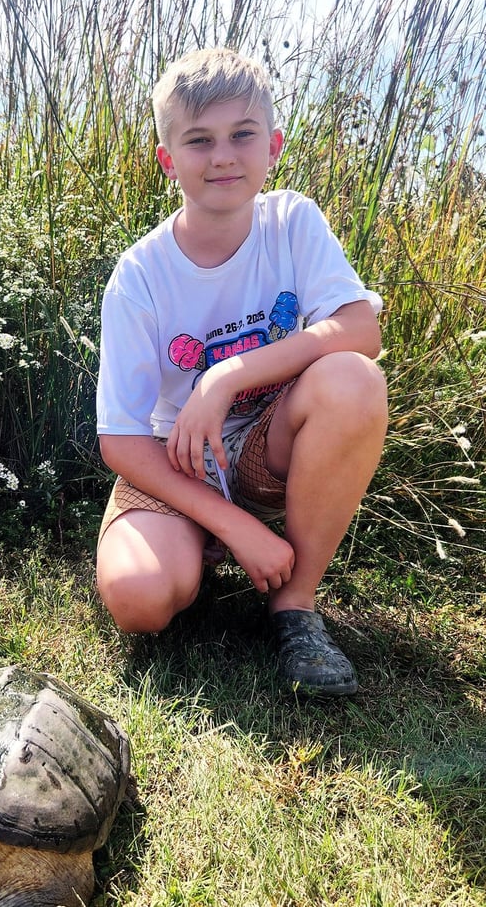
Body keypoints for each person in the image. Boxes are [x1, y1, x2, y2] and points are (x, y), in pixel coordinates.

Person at [95, 48, 388, 697]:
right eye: (199, 140)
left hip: (266, 443)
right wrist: (234, 524)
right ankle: (196, 540)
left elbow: (360, 331)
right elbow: (120, 439)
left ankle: (295, 607)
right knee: (140, 599)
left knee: (354, 380)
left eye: (243, 135)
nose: (223, 156)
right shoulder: (139, 276)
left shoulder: (292, 222)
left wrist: (223, 377)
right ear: (167, 159)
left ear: (273, 146)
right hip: (176, 460)